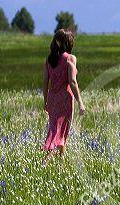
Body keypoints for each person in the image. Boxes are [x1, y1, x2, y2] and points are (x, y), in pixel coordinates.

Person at [42, 29, 85, 164]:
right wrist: (80, 102)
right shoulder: (70, 59)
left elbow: (44, 82)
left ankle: (61, 165)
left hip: (52, 99)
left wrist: (46, 101)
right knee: (62, 133)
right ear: (68, 43)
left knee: (55, 130)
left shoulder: (49, 60)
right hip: (65, 100)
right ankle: (44, 163)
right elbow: (72, 82)